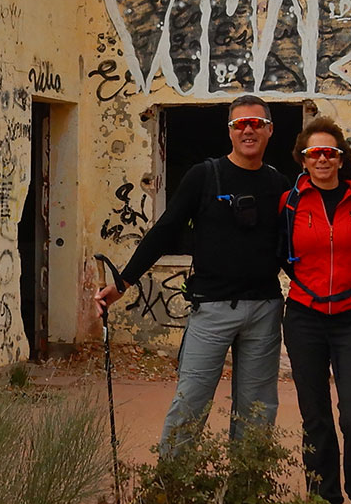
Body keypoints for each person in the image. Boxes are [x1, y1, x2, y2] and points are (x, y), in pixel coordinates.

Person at [95, 94, 290, 455]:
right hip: (211, 308)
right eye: (240, 124)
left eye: (256, 124)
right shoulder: (205, 176)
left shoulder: (279, 184)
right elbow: (165, 230)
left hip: (264, 309)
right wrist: (122, 283)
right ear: (230, 131)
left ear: (270, 130)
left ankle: (247, 499)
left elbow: (292, 248)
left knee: (257, 412)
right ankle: (171, 492)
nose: (248, 130)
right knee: (190, 403)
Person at [279, 116, 351, 504]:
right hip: (304, 317)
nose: (322, 159)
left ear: (341, 157)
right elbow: (281, 253)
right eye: (314, 153)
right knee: (316, 417)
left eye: (330, 152)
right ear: (303, 159)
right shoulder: (289, 202)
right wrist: (306, 286)